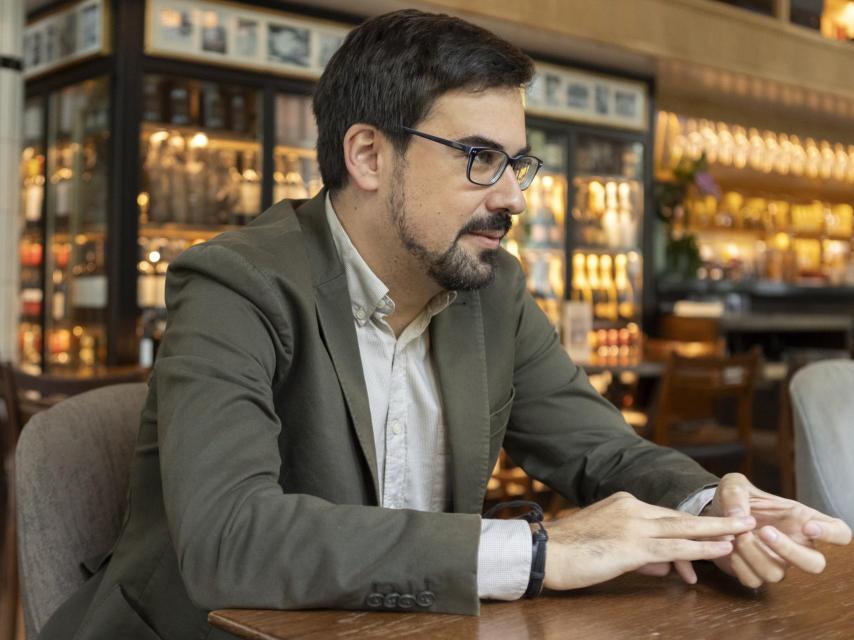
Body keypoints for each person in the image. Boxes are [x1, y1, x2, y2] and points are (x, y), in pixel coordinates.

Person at [40, 9, 850, 640]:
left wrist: (711, 509)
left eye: (516, 163)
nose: (513, 197)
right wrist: (540, 553)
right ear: (367, 156)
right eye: (478, 158)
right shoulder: (237, 283)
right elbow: (230, 539)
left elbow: (602, 450)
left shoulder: (491, 292)